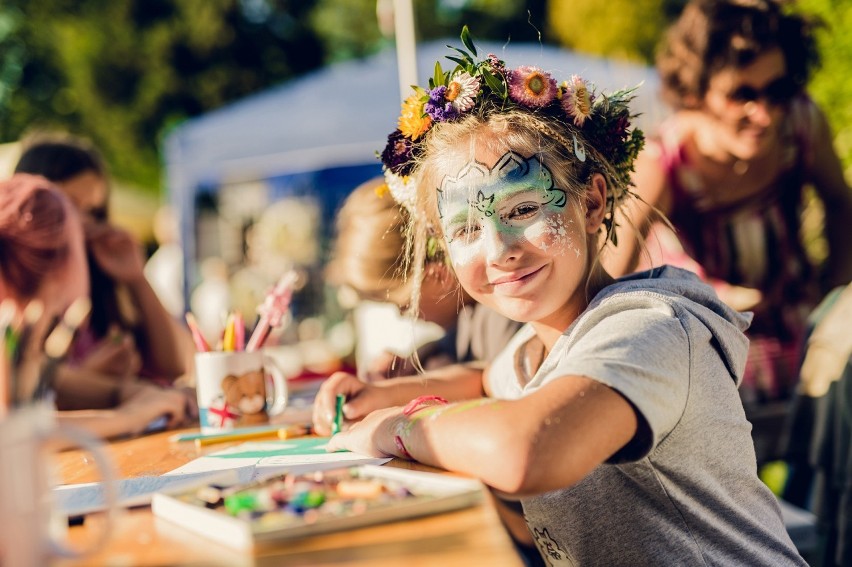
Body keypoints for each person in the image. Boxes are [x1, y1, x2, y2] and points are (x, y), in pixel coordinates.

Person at [312, 31, 807, 565]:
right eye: (465, 230)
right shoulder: (540, 346)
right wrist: (376, 395)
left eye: (523, 210)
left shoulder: (649, 328)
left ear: (592, 203)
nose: (498, 250)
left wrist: (395, 428)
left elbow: (528, 450)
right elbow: (485, 380)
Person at [603, 0, 852, 407]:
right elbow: (611, 274)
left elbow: (841, 206)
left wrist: (835, 301)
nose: (765, 113)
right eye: (742, 94)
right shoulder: (666, 161)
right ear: (697, 89)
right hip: (709, 335)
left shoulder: (801, 123)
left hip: (794, 316)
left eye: (778, 90)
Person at [0, 174, 192, 438]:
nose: (90, 228)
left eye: (94, 213)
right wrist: (130, 416)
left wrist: (136, 395)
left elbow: (58, 384)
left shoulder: (23, 333)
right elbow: (18, 434)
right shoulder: (10, 331)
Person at [14, 133, 190, 385]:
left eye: (94, 211)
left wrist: (137, 279)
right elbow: (24, 387)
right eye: (72, 205)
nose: (85, 223)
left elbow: (174, 365)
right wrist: (88, 379)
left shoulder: (101, 276)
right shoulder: (17, 287)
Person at [327, 176, 519, 379]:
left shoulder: (503, 315)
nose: (402, 315)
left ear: (437, 276)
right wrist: (417, 359)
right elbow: (449, 342)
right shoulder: (468, 319)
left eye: (403, 305)